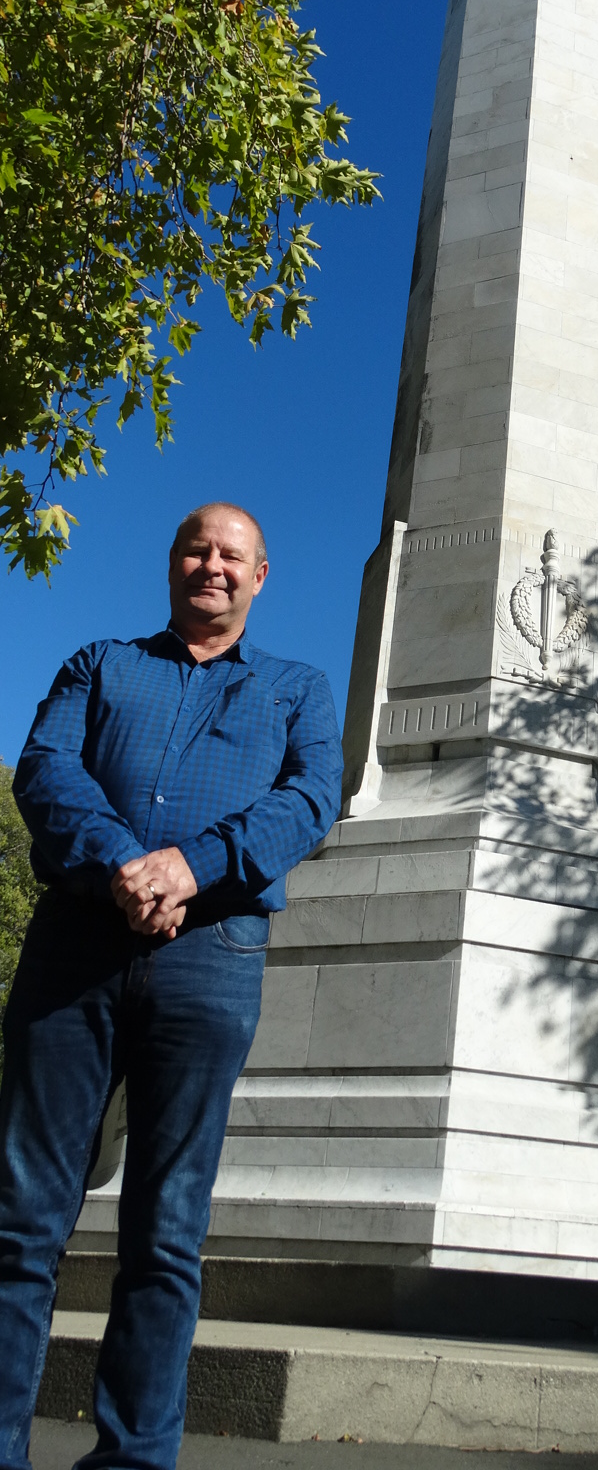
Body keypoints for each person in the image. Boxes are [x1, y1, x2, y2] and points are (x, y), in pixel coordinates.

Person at [2, 502, 342, 1470]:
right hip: (76, 950)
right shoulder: (98, 665)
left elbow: (311, 797)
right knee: (21, 1218)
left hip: (211, 958)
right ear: (172, 562)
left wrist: (191, 868)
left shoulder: (297, 689)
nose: (213, 566)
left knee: (166, 1230)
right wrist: (121, 864)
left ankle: (134, 1458)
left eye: (233, 555)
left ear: (261, 577)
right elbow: (47, 769)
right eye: (198, 548)